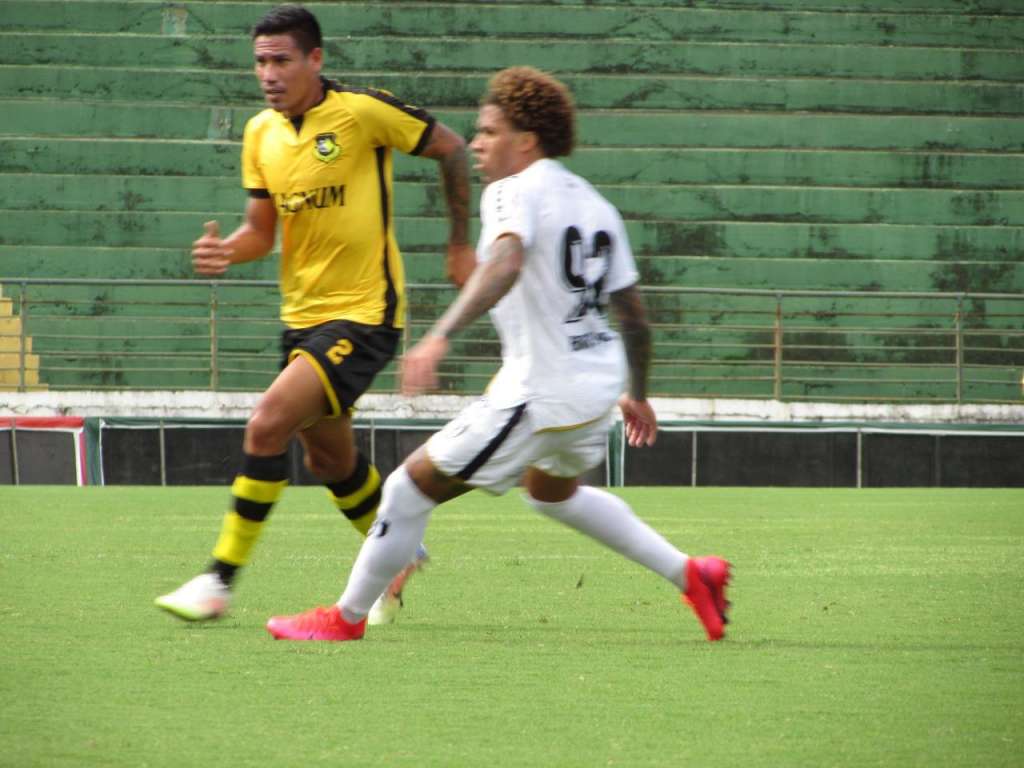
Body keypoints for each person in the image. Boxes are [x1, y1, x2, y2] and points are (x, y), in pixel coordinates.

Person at [265, 66, 732, 644]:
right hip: (595, 388)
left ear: (526, 140)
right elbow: (633, 315)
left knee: (406, 490)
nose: (478, 144)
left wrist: (440, 335)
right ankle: (692, 575)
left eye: (489, 132)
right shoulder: (594, 203)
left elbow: (508, 262)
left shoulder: (512, 190)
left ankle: (345, 619)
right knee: (551, 495)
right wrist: (638, 392)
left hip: (541, 394)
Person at [155, 4, 475, 626]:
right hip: (301, 316)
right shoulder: (260, 134)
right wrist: (228, 252)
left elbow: (453, 147)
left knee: (266, 425)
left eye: (281, 60)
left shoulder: (360, 112)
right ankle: (399, 550)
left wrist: (459, 241)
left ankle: (217, 582)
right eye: (260, 62)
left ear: (315, 59)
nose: (268, 74)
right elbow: (259, 230)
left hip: (364, 314)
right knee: (329, 460)